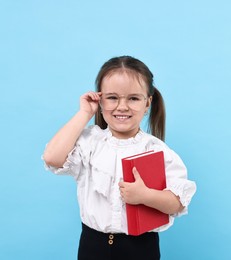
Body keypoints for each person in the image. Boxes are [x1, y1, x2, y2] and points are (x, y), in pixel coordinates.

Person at [42, 55, 196, 260]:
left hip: (140, 248)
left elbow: (177, 203)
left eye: (133, 98)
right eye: (113, 97)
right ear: (100, 99)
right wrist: (84, 113)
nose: (122, 106)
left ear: (147, 102)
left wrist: (145, 196)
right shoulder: (90, 142)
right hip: (92, 246)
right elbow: (52, 158)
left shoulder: (156, 149)